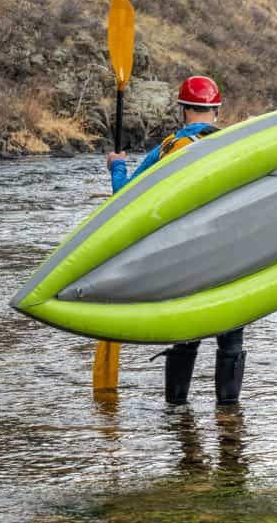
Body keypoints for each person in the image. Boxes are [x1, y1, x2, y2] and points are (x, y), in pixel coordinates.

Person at [105, 75, 247, 407]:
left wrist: (117, 166)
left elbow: (124, 198)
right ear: (216, 111)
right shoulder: (237, 145)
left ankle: (176, 414)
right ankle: (229, 416)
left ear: (183, 110)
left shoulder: (168, 148)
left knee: (186, 338)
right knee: (231, 342)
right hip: (231, 255)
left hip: (187, 259)